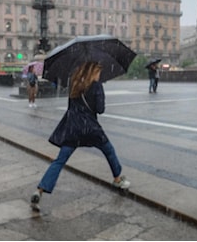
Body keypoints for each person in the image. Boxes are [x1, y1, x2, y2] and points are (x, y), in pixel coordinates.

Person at [31, 61, 130, 210]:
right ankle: (117, 179)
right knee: (108, 150)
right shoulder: (96, 86)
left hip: (73, 128)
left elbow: (71, 107)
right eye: (98, 72)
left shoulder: (74, 83)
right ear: (93, 72)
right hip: (91, 128)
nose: (99, 75)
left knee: (59, 160)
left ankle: (40, 190)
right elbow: (100, 109)